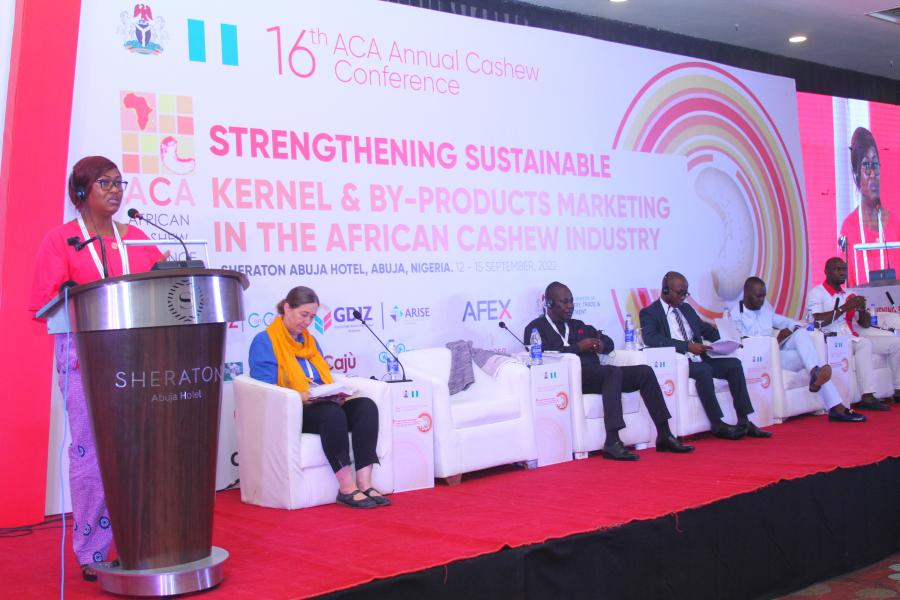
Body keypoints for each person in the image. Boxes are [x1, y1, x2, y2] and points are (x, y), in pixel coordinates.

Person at [29, 156, 165, 581]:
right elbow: (44, 301)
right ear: (80, 191)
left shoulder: (137, 238)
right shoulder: (62, 239)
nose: (115, 190)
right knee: (91, 455)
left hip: (140, 360)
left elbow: (166, 284)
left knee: (141, 453)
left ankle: (144, 542)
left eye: (119, 183)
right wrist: (70, 293)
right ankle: (92, 551)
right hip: (84, 361)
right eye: (104, 183)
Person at [248, 285, 389, 508]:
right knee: (331, 413)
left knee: (365, 406)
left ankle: (365, 482)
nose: (307, 322)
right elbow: (266, 388)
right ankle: (346, 488)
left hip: (320, 402)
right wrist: (299, 395)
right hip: (294, 410)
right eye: (303, 314)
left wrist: (333, 393)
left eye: (312, 317)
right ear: (287, 308)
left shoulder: (310, 342)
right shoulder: (265, 341)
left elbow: (322, 378)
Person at [523, 282, 694, 461]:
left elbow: (608, 342)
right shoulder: (536, 328)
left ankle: (665, 434)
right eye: (564, 302)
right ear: (549, 303)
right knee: (611, 372)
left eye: (571, 301)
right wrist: (578, 347)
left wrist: (600, 345)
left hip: (600, 374)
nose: (570, 306)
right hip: (571, 379)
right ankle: (612, 441)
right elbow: (543, 356)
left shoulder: (578, 325)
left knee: (645, 372)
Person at [639, 271, 773, 440]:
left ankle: (744, 420)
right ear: (666, 290)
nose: (683, 297)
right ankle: (717, 423)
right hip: (680, 362)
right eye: (680, 293)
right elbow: (651, 338)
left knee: (734, 365)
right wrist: (687, 346)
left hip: (700, 357)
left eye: (686, 293)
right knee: (704, 370)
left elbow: (705, 329)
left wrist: (729, 339)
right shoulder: (650, 312)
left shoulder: (686, 309)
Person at [736, 277, 865, 422]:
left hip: (776, 357)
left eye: (764, 296)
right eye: (758, 296)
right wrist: (773, 342)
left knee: (802, 335)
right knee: (812, 358)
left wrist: (791, 330)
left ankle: (816, 373)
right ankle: (836, 406)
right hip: (757, 361)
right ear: (747, 293)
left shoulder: (765, 312)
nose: (762, 300)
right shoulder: (735, 314)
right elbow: (738, 343)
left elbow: (791, 323)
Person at [808, 257, 898, 410]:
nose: (842, 273)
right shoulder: (817, 293)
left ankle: (898, 389)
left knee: (896, 343)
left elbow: (865, 324)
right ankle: (867, 396)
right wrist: (844, 307)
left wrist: (862, 309)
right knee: (864, 343)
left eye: (844, 269)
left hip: (852, 337)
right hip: (832, 339)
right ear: (826, 272)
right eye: (837, 269)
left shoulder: (850, 294)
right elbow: (816, 321)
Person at [838, 127, 900, 287]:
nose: (873, 173)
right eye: (866, 164)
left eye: (875, 164)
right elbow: (844, 287)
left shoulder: (895, 225)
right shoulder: (848, 228)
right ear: (855, 172)